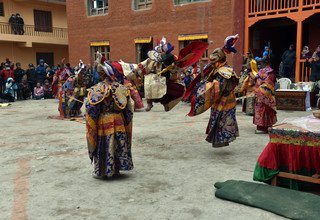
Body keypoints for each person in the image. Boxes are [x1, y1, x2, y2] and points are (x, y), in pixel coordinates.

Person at [186, 35, 240, 148]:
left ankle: (221, 140)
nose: (213, 64)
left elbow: (218, 87)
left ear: (220, 61)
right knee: (219, 119)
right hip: (221, 100)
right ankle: (219, 140)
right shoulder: (219, 69)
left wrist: (205, 87)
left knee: (223, 120)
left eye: (215, 61)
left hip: (225, 100)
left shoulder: (224, 71)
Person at [85, 55, 134, 179]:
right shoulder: (121, 88)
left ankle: (104, 171)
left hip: (104, 121)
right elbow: (129, 110)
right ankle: (116, 169)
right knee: (118, 142)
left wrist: (92, 122)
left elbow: (91, 110)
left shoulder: (97, 89)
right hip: (119, 121)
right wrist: (125, 120)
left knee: (105, 144)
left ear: (101, 74)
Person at [253, 58, 277, 134]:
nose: (260, 65)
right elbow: (269, 84)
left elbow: (256, 81)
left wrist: (258, 90)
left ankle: (262, 128)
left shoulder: (260, 72)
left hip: (259, 93)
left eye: (261, 63)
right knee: (266, 110)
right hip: (266, 94)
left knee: (261, 110)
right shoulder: (270, 72)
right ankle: (266, 127)